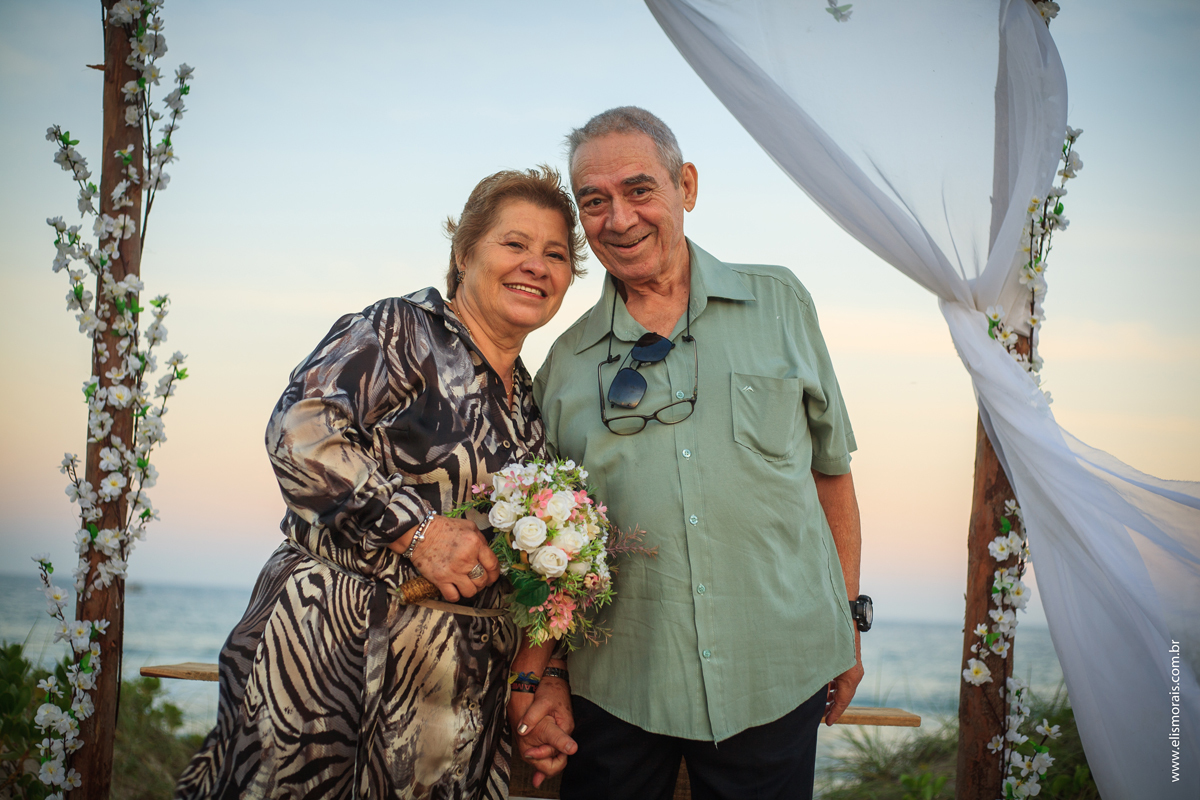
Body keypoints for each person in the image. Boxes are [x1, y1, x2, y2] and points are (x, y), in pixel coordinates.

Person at [175, 166, 584, 800]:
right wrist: (413, 530)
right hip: (329, 664)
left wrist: (537, 680)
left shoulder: (529, 402)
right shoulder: (401, 330)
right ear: (464, 252)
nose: (536, 264)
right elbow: (300, 429)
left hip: (449, 703)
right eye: (514, 244)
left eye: (555, 254)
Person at [523, 107, 868, 800]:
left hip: (776, 676)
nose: (618, 218)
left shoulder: (781, 303)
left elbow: (831, 473)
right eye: (595, 202)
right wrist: (544, 677)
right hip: (617, 693)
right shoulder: (563, 366)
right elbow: (547, 555)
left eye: (639, 189)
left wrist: (848, 620)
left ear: (687, 185)